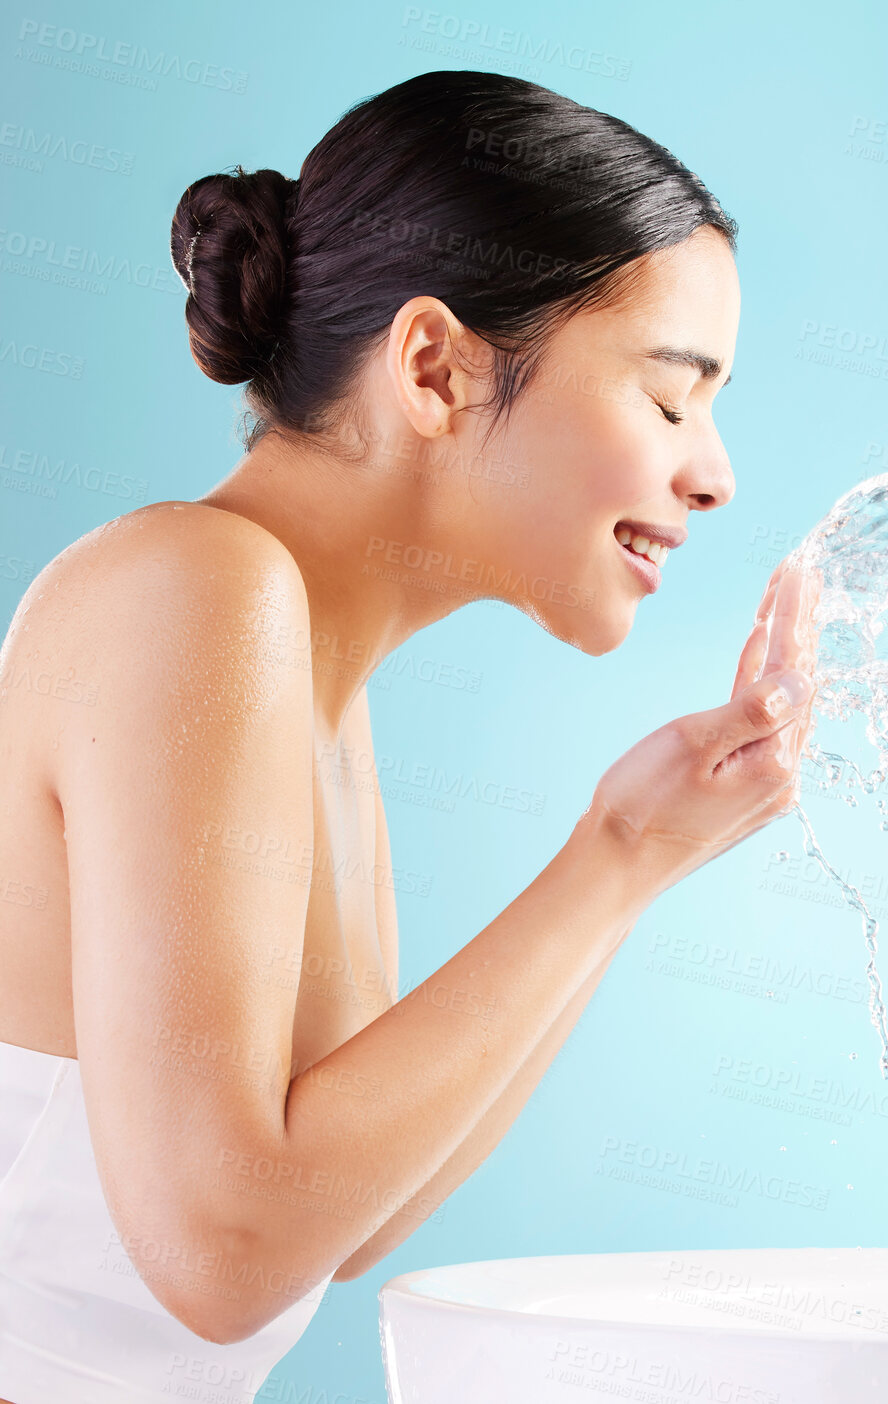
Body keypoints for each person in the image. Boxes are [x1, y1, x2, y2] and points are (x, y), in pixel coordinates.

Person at [0, 69, 819, 1402]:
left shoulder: (311, 669)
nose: (714, 471)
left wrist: (637, 859)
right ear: (435, 365)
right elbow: (224, 1254)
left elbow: (340, 1217)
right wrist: (608, 859)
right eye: (671, 399)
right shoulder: (203, 590)